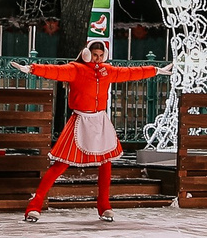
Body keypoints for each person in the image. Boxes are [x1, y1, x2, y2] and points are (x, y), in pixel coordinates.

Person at [21, 40, 163, 224]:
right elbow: (55, 71)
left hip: (100, 121)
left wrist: (155, 70)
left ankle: (104, 205)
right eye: (94, 55)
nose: (97, 59)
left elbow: (130, 73)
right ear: (87, 54)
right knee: (61, 163)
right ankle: (35, 204)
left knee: (106, 163)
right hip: (81, 120)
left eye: (100, 55)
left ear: (104, 56)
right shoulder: (76, 69)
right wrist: (33, 69)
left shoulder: (107, 71)